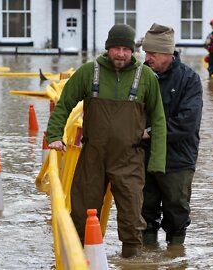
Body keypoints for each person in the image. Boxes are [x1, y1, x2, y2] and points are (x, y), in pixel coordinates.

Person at [46, 24, 167, 258]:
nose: (120, 54)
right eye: (116, 48)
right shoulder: (88, 72)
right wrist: (54, 136)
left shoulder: (147, 77)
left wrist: (156, 163)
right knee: (82, 211)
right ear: (107, 48)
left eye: (125, 49)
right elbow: (63, 105)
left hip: (130, 158)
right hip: (93, 155)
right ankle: (78, 257)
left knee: (132, 216)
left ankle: (131, 258)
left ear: (133, 51)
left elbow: (159, 120)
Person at [141, 23, 203, 246]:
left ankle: (175, 256)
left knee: (176, 214)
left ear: (167, 53)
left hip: (178, 160)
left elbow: (187, 123)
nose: (147, 58)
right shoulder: (141, 76)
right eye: (145, 53)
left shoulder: (189, 80)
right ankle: (147, 259)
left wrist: (150, 132)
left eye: (152, 53)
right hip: (145, 158)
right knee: (144, 214)